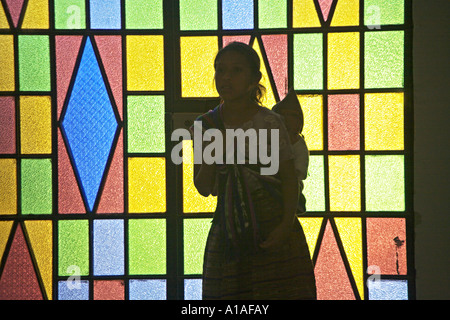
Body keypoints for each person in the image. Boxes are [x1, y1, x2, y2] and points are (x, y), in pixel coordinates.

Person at [191, 42, 316, 300]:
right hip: (229, 229)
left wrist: (285, 224)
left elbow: (288, 177)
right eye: (220, 70)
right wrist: (215, 151)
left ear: (254, 78)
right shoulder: (207, 125)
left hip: (275, 226)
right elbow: (203, 188)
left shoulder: (270, 122)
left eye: (236, 70)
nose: (226, 78)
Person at [272, 89, 310, 214]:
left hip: (290, 183)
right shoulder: (270, 139)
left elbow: (300, 170)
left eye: (292, 117)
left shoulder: (299, 145)